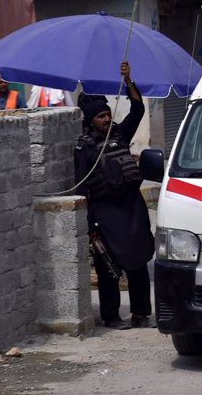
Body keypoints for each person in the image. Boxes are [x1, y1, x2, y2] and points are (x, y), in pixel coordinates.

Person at [74, 61, 155, 330]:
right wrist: (89, 226)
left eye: (108, 114)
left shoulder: (119, 133)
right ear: (90, 120)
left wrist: (128, 80)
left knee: (139, 259)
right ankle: (111, 316)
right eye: (100, 116)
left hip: (132, 207)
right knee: (108, 265)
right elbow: (80, 187)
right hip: (105, 212)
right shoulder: (84, 148)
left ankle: (141, 313)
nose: (107, 119)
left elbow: (139, 108)